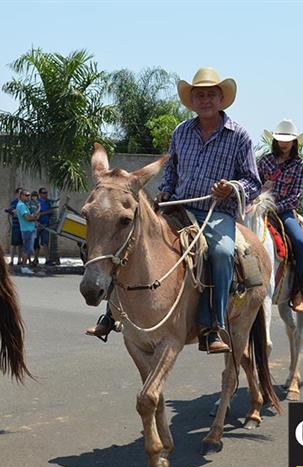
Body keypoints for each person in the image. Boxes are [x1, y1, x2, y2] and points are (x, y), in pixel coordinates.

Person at [87, 67, 261, 354]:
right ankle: (112, 313)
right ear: (192, 101)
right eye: (199, 95)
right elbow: (171, 171)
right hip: (178, 207)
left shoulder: (239, 136)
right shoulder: (181, 131)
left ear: (221, 99)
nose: (205, 100)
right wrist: (166, 190)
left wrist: (230, 188)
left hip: (215, 212)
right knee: (133, 240)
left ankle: (213, 326)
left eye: (211, 95)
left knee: (221, 253)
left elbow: (252, 182)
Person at [257, 119, 303, 312]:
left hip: (284, 210)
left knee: (300, 242)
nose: (283, 143)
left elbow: (295, 197)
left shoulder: (300, 165)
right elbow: (254, 182)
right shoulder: (265, 161)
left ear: (295, 142)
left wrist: (274, 208)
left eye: (287, 140)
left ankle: (298, 292)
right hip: (258, 207)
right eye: (280, 139)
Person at [15, 189, 39, 274]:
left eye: (29, 195)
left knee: (28, 249)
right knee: (26, 249)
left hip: (29, 229)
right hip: (27, 230)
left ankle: (25, 266)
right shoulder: (21, 205)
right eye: (26, 195)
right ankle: (24, 267)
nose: (28, 197)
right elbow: (27, 218)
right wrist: (35, 217)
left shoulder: (24, 205)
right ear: (21, 196)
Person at [36, 187, 55, 265]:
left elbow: (52, 211)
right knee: (36, 243)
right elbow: (35, 213)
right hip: (38, 225)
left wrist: (43, 213)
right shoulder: (37, 202)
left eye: (46, 193)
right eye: (44, 193)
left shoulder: (48, 202)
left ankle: (47, 259)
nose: (46, 194)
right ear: (40, 194)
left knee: (45, 243)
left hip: (46, 225)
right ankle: (35, 259)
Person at [5, 187, 24, 266]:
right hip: (16, 225)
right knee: (13, 244)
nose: (20, 195)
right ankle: (12, 260)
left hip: (23, 225)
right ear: (16, 194)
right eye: (19, 193)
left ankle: (20, 260)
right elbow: (11, 211)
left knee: (21, 244)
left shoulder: (25, 203)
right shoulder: (14, 202)